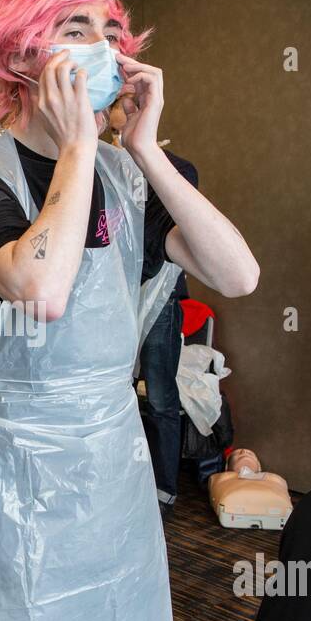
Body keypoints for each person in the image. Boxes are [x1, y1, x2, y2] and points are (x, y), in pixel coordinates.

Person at [0, 0, 259, 621]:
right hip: (14, 464)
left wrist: (142, 149)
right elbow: (39, 285)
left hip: (110, 456)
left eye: (112, 33)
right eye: (77, 31)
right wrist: (79, 145)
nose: (103, 47)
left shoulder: (127, 177)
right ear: (20, 54)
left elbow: (239, 273)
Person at [109, 101, 199, 515]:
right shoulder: (96, 168)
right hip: (113, 296)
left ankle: (164, 487)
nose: (120, 139)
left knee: (161, 395)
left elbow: (157, 238)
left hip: (159, 293)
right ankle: (119, 481)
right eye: (114, 133)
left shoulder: (176, 169)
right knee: (114, 393)